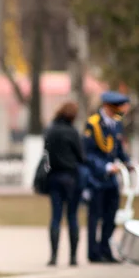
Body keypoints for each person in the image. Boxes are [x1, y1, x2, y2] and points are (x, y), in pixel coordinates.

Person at [83, 91, 133, 264]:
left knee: (111, 216)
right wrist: (104, 167)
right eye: (116, 108)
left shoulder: (116, 124)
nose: (119, 111)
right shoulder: (93, 124)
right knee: (94, 216)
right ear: (107, 107)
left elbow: (117, 148)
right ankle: (93, 252)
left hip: (112, 179)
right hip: (96, 178)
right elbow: (87, 154)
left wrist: (127, 162)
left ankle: (106, 249)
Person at [44, 101, 85, 267]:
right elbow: (81, 157)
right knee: (72, 216)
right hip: (71, 179)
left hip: (54, 177)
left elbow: (45, 153)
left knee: (55, 217)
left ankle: (53, 257)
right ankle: (73, 257)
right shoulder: (73, 133)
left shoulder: (51, 131)